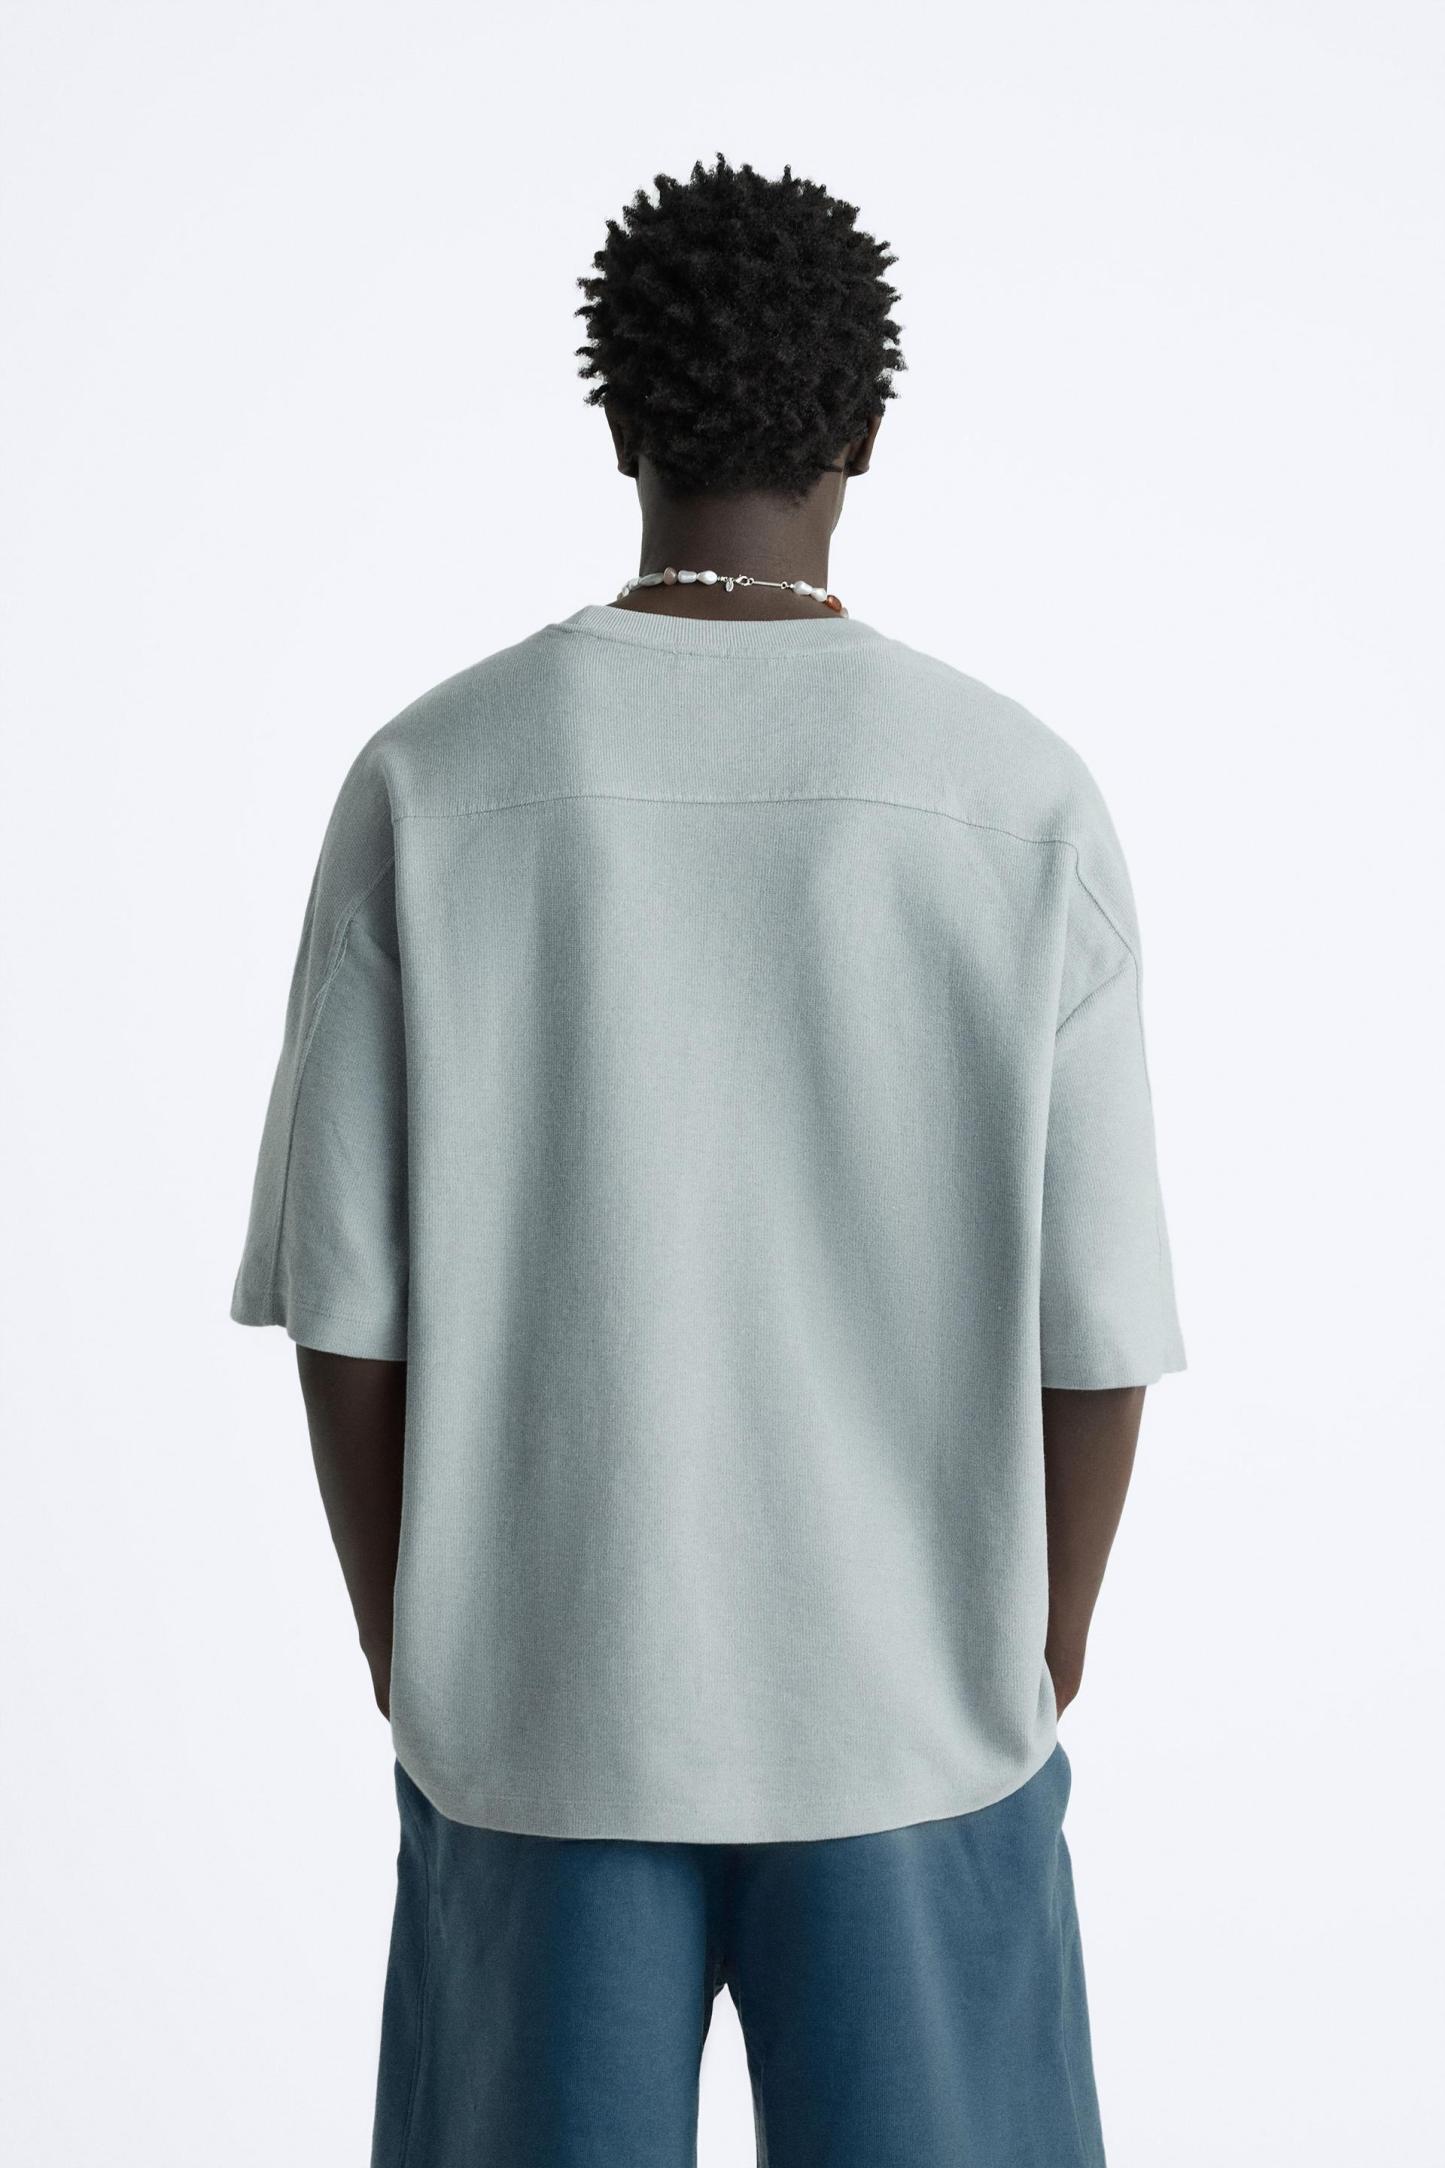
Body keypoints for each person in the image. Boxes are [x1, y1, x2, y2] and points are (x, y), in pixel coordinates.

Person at [229, 152, 1185, 2168]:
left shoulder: (432, 780)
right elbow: (1095, 1335)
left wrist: (423, 1646)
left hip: (543, 1713)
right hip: (914, 1716)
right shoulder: (1016, 799)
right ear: (867, 431)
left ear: (616, 423)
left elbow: (345, 1316)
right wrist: (1036, 1648)